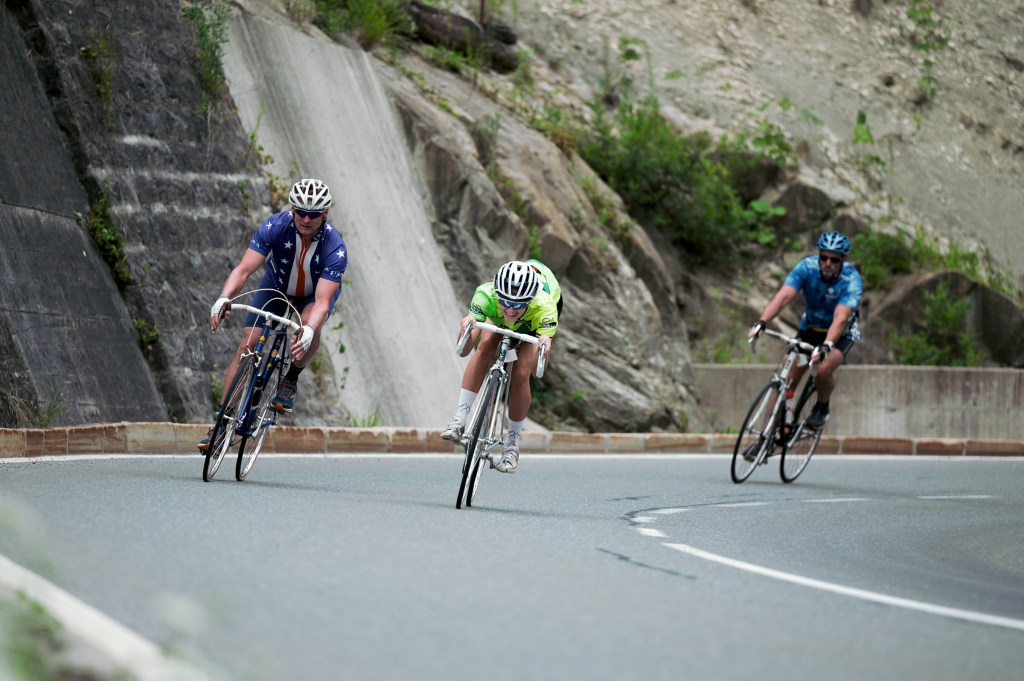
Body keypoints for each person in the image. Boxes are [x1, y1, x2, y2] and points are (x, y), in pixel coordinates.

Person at [199, 178, 348, 450]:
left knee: (308, 325)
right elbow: (243, 270)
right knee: (247, 346)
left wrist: (310, 329)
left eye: (313, 214)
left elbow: (323, 303)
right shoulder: (275, 226)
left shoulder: (334, 247)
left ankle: (291, 378)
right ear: (292, 209)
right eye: (300, 211)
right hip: (276, 285)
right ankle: (221, 425)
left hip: (312, 296)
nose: (306, 219)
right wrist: (224, 297)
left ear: (325, 214)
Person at [440, 259, 562, 473]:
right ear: (497, 294)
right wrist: (466, 328)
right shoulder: (486, 295)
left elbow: (537, 371)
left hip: (533, 323)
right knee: (484, 346)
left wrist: (544, 346)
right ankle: (459, 419)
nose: (511, 309)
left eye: (518, 304)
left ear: (529, 299)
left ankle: (512, 445)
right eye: (506, 302)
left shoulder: (544, 307)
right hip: (501, 314)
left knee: (522, 373)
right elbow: (464, 350)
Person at [748, 231, 863, 430]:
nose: (828, 263)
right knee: (786, 377)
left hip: (840, 333)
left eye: (834, 260)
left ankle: (822, 406)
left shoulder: (851, 280)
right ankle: (767, 435)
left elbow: (841, 317)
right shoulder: (807, 267)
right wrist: (762, 322)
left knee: (823, 369)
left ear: (842, 261)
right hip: (811, 327)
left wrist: (827, 345)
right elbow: (783, 297)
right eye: (824, 257)